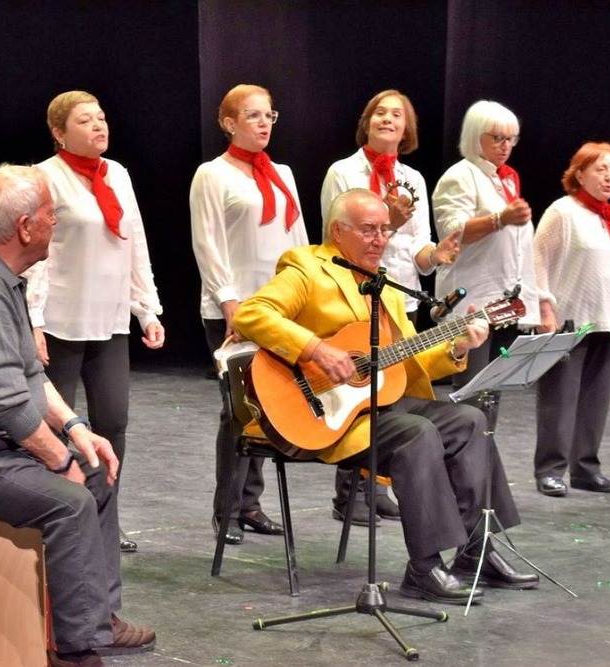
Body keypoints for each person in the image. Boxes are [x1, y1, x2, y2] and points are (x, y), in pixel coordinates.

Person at [0, 165, 155, 667]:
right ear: (24, 228)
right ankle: (77, 650)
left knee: (96, 473)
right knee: (70, 501)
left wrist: (77, 430)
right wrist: (60, 462)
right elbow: (3, 401)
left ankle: (98, 618)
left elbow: (29, 377)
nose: (54, 222)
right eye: (49, 214)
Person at [232, 188, 538, 604]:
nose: (380, 239)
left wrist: (458, 344)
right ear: (338, 231)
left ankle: (475, 549)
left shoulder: (388, 289)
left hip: (379, 403)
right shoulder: (307, 267)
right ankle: (425, 566)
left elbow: (411, 361)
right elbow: (253, 314)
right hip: (323, 413)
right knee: (417, 433)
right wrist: (316, 349)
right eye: (369, 230)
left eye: (385, 231)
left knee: (470, 421)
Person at [25, 91, 164, 554]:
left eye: (101, 118)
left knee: (113, 420)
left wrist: (147, 308)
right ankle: (57, 518)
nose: (98, 126)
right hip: (63, 320)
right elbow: (38, 256)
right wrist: (34, 320)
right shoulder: (46, 176)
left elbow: (135, 241)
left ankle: (105, 518)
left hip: (110, 320)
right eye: (85, 121)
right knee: (57, 425)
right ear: (60, 132)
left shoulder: (117, 174)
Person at [320, 90, 462, 526]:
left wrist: (435, 256)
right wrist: (391, 222)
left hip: (400, 297)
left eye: (397, 115)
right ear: (367, 122)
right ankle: (349, 494)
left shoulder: (414, 179)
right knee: (360, 389)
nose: (388, 119)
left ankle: (376, 485)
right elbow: (335, 237)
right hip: (354, 294)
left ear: (407, 129)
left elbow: (418, 248)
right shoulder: (343, 172)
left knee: (393, 391)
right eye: (380, 112)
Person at [190, 84, 307, 545]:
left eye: (269, 116)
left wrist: (306, 298)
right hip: (234, 308)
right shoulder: (212, 174)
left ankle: (251, 503)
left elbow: (297, 239)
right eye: (253, 115)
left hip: (279, 309)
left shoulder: (284, 173)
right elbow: (207, 241)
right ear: (229, 122)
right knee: (238, 412)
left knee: (273, 408)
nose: (263, 123)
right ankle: (227, 508)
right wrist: (229, 303)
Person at [532, 142, 610, 497]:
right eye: (600, 169)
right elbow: (537, 261)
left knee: (595, 399)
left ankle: (585, 468)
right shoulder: (562, 212)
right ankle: (551, 469)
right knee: (559, 400)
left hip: (606, 319)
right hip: (569, 318)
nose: (609, 177)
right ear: (579, 174)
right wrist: (544, 308)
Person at [431, 100, 539, 415]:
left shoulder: (504, 180)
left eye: (511, 139)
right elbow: (453, 232)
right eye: (497, 138)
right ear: (476, 136)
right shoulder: (460, 176)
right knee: (471, 396)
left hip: (503, 303)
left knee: (490, 395)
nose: (506, 146)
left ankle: (483, 460)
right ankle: (468, 461)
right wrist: (500, 219)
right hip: (472, 301)